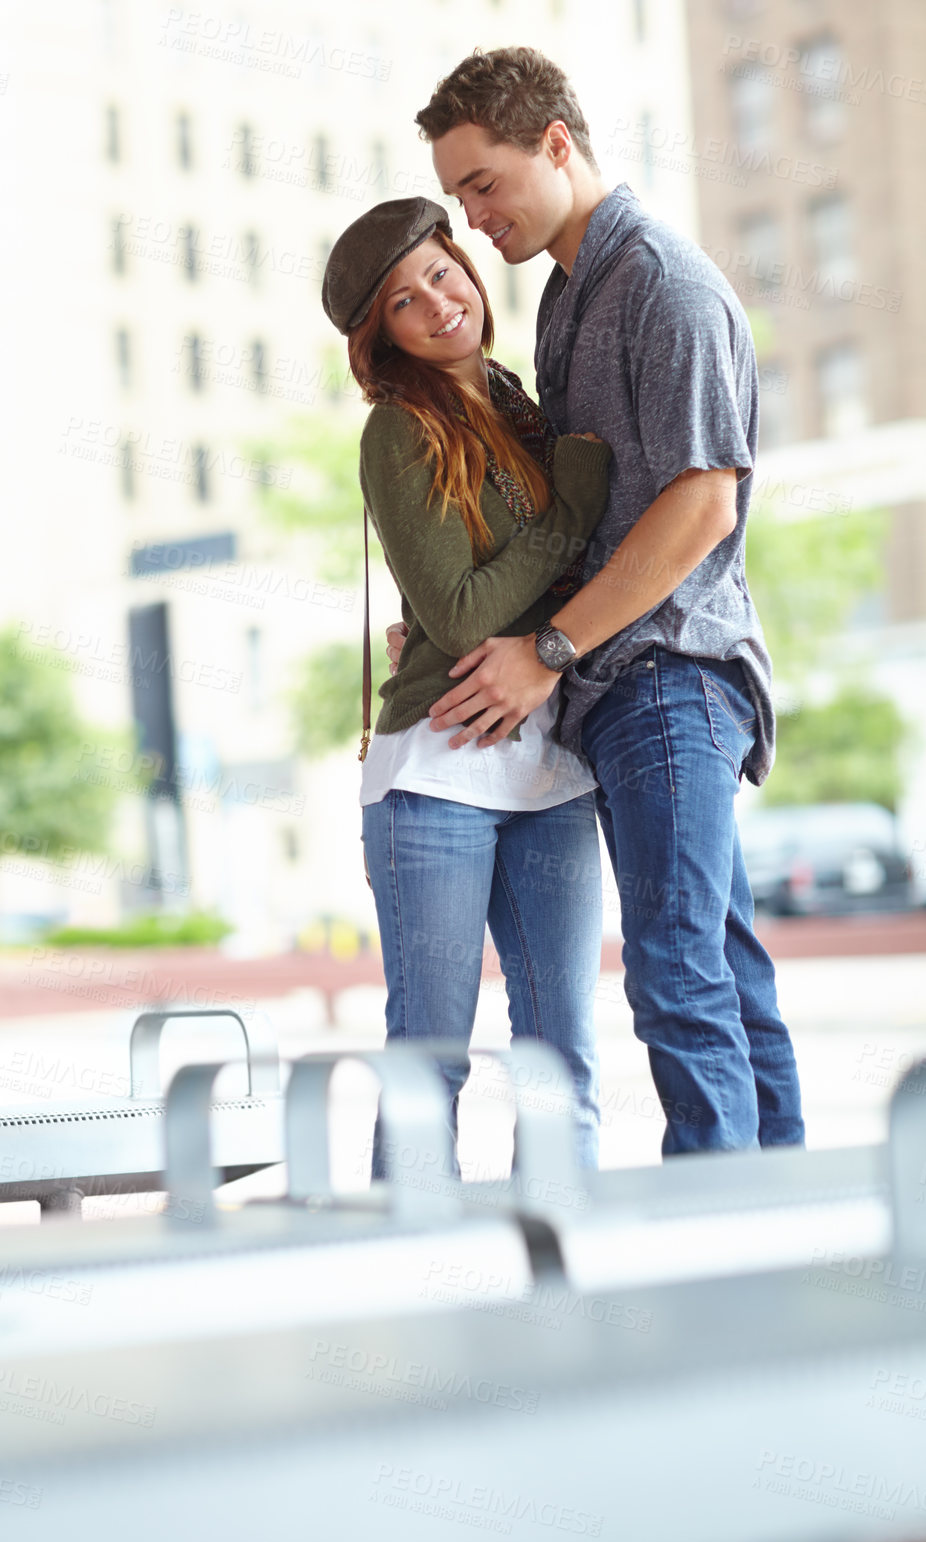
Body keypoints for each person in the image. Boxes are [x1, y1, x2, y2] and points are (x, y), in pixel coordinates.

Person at [387, 47, 805, 1156]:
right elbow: (576, 518)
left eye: (483, 184)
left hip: (666, 676)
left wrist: (550, 648)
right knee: (717, 956)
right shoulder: (574, 296)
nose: (472, 220)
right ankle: (782, 1220)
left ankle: (715, 1228)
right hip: (619, 688)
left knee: (675, 969)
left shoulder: (663, 282)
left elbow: (702, 504)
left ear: (557, 146)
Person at [321, 197, 613, 1168]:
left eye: (441, 272)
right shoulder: (401, 429)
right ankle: (406, 1280)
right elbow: (454, 613)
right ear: (386, 336)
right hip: (438, 770)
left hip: (551, 763)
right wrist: (568, 510)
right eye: (405, 302)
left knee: (561, 1056)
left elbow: (529, 588)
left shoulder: (519, 400)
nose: (439, 302)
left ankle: (558, 1280)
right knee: (433, 1057)